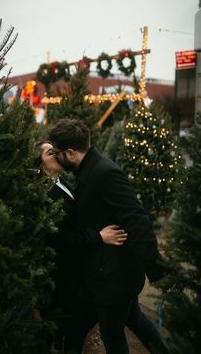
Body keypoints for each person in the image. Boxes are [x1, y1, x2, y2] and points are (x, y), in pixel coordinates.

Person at [48, 119, 169, 354]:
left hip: (114, 278)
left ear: (71, 152)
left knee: (112, 337)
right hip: (107, 273)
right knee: (134, 320)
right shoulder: (88, 171)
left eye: (57, 152)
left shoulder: (104, 173)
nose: (56, 157)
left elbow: (137, 220)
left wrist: (156, 270)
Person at [39, 141, 128, 352]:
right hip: (65, 275)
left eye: (57, 151)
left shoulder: (63, 182)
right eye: (51, 153)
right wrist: (98, 237)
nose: (57, 155)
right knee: (72, 332)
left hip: (82, 270)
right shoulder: (45, 193)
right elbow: (60, 238)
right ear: (39, 162)